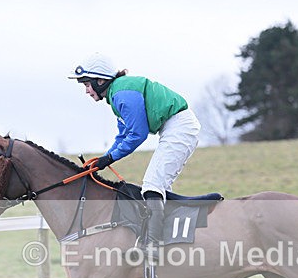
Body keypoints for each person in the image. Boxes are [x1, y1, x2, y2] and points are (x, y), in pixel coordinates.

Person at [68, 53, 201, 259]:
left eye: (87, 84)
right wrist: (103, 159)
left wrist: (110, 159)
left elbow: (137, 134)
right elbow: (123, 135)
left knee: (152, 184)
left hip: (179, 126)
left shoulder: (122, 94)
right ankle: (165, 239)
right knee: (159, 186)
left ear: (100, 80)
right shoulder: (117, 94)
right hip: (174, 127)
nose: (86, 90)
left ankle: (152, 247)